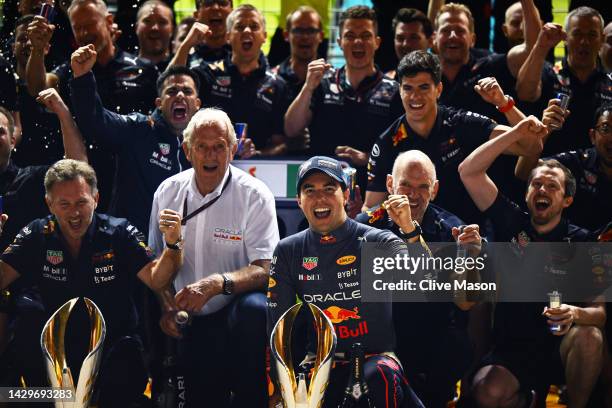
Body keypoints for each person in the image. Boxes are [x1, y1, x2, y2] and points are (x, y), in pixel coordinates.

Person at [0, 159, 180, 406]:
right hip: (54, 353)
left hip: (112, 348)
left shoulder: (119, 232)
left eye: (82, 202)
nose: (74, 213)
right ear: (49, 204)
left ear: (96, 199)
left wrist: (173, 245)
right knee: (18, 395)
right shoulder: (35, 233)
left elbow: (158, 280)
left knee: (125, 390)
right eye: (64, 204)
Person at [458, 116, 606, 407]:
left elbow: (599, 313)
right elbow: (469, 171)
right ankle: (527, 398)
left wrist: (574, 314)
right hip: (512, 349)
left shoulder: (583, 242)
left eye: (552, 187)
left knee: (591, 336)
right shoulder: (511, 221)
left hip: (558, 348)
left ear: (567, 200)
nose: (542, 190)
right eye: (535, 184)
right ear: (526, 194)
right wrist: (514, 133)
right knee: (488, 392)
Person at [267, 155, 425, 407]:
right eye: (310, 190)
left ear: (346, 195)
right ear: (299, 201)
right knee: (298, 395)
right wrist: (278, 390)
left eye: (330, 189)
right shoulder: (288, 251)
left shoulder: (376, 241)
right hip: (318, 362)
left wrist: (408, 228)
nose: (320, 198)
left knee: (380, 376)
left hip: (375, 359)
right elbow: (277, 329)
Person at [148, 108, 279, 407]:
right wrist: (167, 307)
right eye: (202, 147)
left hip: (236, 310)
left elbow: (267, 268)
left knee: (255, 310)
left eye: (219, 146)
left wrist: (216, 284)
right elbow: (154, 266)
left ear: (232, 150)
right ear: (186, 150)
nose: (211, 155)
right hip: (189, 315)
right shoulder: (166, 192)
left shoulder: (255, 195)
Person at [69, 44, 244, 235]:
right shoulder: (137, 129)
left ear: (197, 104)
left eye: (187, 91)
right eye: (171, 91)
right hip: (132, 245)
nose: (179, 95)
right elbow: (95, 122)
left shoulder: (209, 145)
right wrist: (83, 77)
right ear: (159, 103)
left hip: (187, 246)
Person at [356, 150, 483, 406]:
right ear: (390, 184)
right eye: (405, 185)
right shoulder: (366, 225)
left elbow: (466, 302)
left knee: (456, 344)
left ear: (434, 190)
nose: (413, 195)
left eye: (422, 187)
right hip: (382, 336)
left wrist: (469, 258)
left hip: (432, 335)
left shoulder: (452, 228)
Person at [365, 51, 538, 230]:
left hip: (467, 235)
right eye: (408, 88)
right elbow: (371, 208)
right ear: (399, 90)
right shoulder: (386, 142)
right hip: (409, 238)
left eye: (424, 87)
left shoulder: (459, 123)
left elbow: (529, 146)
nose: (415, 96)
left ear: (438, 90)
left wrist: (504, 104)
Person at [25, 0, 159, 211]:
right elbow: (38, 88)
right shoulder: (69, 70)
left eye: (90, 24)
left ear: (109, 21)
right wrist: (38, 50)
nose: (85, 32)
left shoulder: (144, 70)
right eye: (78, 27)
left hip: (134, 175)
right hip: (85, 175)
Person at [285, 5, 402, 191]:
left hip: (372, 195)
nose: (358, 42)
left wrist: (367, 158)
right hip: (321, 192)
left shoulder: (394, 91)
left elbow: (403, 150)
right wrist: (307, 87)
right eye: (350, 35)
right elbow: (291, 129)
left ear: (377, 42)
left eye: (365, 36)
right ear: (339, 41)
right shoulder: (321, 84)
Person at [175, 4, 289, 156]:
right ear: (228, 36)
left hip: (257, 172)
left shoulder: (277, 85)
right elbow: (172, 82)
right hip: (208, 163)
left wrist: (258, 154)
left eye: (254, 26)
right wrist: (186, 45)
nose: (247, 31)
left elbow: (280, 143)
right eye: (240, 27)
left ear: (264, 36)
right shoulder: (208, 73)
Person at [516, 7, 610, 154]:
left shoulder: (609, 83)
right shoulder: (550, 73)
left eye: (592, 35)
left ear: (602, 39)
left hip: (597, 171)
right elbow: (524, 93)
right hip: (550, 167)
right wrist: (541, 46)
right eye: (577, 34)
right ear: (565, 38)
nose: (584, 41)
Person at [432, 1, 541, 122]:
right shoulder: (424, 73)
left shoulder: (491, 66)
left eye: (460, 31)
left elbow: (532, 48)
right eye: (446, 30)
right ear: (434, 39)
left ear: (472, 39)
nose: (452, 36)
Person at [516, 102, 612, 231]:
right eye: (606, 129)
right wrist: (542, 133)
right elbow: (524, 172)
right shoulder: (577, 162)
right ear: (593, 136)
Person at [10, 15, 65, 167]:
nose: (29, 43)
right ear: (13, 47)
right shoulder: (5, 82)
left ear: (46, 48)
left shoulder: (55, 79)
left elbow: (38, 88)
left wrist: (37, 48)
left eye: (34, 39)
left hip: (50, 170)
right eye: (22, 38)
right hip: (12, 171)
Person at [272, 6, 324, 101]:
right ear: (286, 35)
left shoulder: (332, 80)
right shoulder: (272, 80)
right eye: (298, 31)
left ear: (321, 36)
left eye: (311, 31)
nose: (305, 37)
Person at [170, 0, 233, 68]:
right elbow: (168, 78)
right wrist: (186, 46)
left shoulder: (242, 51)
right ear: (196, 15)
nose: (215, 8)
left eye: (222, 3)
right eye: (208, 3)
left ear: (232, 13)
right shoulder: (185, 54)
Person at [387, 8, 433, 79]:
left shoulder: (440, 81)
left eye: (413, 38)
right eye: (400, 38)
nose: (406, 44)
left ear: (430, 41)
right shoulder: (385, 84)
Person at [135, 0, 174, 71]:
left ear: (172, 29)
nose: (155, 28)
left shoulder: (185, 67)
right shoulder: (123, 68)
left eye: (162, 22)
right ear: (136, 27)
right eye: (147, 21)